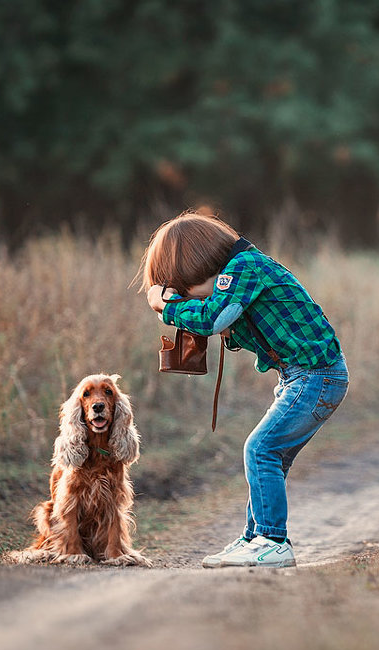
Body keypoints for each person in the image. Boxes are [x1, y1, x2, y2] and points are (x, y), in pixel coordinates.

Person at [140, 212, 347, 568]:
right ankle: (256, 537)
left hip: (316, 375)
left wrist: (167, 306)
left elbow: (213, 317)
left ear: (197, 266)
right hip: (303, 377)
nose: (189, 298)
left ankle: (273, 541)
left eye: (185, 289)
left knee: (260, 448)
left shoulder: (245, 267)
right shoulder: (240, 272)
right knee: (270, 456)